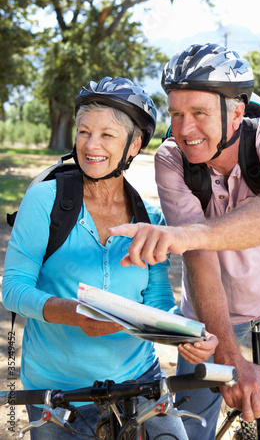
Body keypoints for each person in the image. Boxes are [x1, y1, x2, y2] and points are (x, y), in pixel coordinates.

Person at [108, 44, 260, 440]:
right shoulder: (171, 159)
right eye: (176, 114)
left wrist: (185, 235)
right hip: (214, 304)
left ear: (236, 113)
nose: (185, 128)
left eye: (199, 113)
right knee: (188, 430)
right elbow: (200, 259)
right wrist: (229, 357)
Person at [2, 76, 218, 440]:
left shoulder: (149, 219)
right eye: (84, 131)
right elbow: (12, 289)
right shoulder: (45, 200)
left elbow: (157, 300)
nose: (91, 145)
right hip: (57, 392)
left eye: (107, 135)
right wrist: (74, 314)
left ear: (133, 145)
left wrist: (184, 334)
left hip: (140, 383)